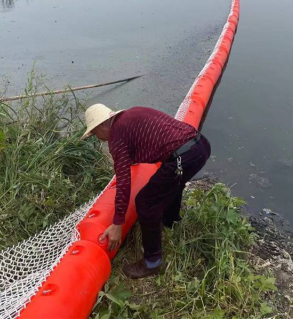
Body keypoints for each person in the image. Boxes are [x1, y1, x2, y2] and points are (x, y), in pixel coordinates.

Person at [81, 104, 211, 279]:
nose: (101, 140)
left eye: (96, 134)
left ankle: (152, 262)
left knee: (145, 202)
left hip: (183, 157)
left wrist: (117, 223)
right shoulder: (131, 114)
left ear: (102, 125)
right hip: (199, 145)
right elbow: (147, 139)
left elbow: (124, 183)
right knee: (172, 183)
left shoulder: (117, 138)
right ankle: (171, 222)